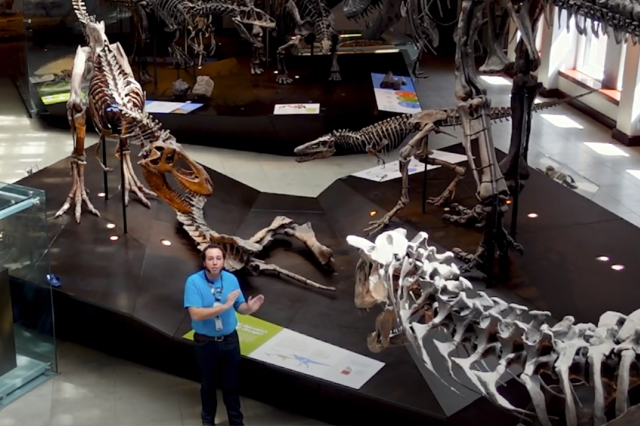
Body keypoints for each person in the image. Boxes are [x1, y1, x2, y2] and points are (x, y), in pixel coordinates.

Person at [184, 243, 265, 426]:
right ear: (204, 262)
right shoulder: (193, 282)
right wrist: (224, 306)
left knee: (231, 384)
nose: (215, 262)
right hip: (206, 343)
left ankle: (236, 422)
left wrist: (249, 309)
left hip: (229, 340)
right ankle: (207, 421)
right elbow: (195, 313)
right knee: (208, 385)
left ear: (223, 262)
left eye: (218, 258)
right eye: (210, 259)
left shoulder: (231, 280)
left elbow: (240, 307)